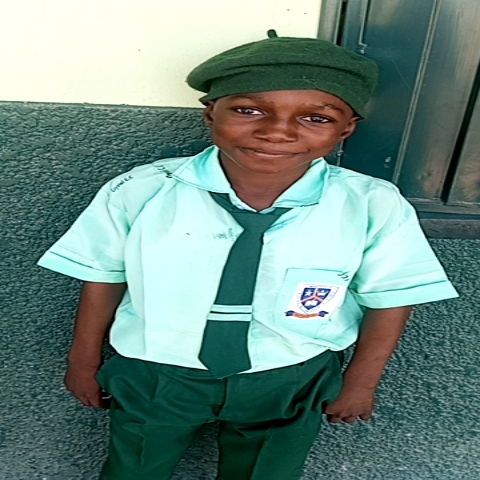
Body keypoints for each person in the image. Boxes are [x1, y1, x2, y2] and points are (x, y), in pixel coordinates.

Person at [37, 30, 458, 480]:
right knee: (133, 470)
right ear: (210, 113)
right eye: (248, 110)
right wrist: (83, 361)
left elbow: (391, 297)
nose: (277, 131)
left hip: (290, 374)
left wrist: (360, 382)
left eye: (315, 117)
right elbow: (103, 277)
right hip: (157, 372)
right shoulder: (139, 191)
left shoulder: (372, 203)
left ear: (346, 129)